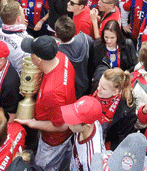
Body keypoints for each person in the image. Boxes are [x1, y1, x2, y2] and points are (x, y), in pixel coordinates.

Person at [18, 35, 76, 171]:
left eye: (31, 53)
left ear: (38, 59)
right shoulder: (61, 57)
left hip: (53, 141)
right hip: (66, 129)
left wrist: (33, 123)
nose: (29, 55)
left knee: (42, 168)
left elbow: (61, 126)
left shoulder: (52, 92)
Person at [93, 68, 137, 150]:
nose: (98, 89)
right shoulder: (100, 86)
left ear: (115, 92)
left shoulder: (127, 111)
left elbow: (122, 140)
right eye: (99, 84)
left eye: (103, 89)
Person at [60, 96, 105, 171]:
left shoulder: (90, 159)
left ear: (87, 126)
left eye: (73, 122)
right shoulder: (92, 121)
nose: (68, 123)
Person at [91, 20, 137, 89]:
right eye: (106, 37)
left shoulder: (128, 45)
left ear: (118, 36)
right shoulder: (97, 46)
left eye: (112, 38)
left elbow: (134, 66)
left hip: (122, 84)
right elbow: (92, 69)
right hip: (105, 86)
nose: (108, 41)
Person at [56, 15, 94, 98]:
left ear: (56, 35)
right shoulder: (86, 39)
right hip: (88, 86)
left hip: (72, 92)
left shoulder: (57, 54)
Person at [0, 1, 30, 75]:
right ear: (19, 19)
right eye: (22, 12)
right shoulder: (27, 41)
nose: (24, 14)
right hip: (18, 80)